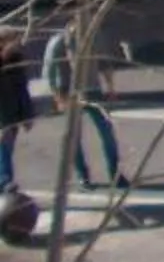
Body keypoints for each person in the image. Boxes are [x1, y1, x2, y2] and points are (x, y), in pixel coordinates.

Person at [39, 16, 123, 193]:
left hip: (92, 89)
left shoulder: (94, 35)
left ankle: (115, 173)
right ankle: (82, 175)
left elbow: (104, 62)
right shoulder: (58, 42)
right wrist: (58, 97)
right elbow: (51, 72)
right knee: (74, 137)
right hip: (69, 92)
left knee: (107, 131)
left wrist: (110, 87)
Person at [0, 32, 33, 197]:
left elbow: (23, 89)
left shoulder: (16, 61)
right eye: (10, 41)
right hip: (3, 116)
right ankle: (6, 183)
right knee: (4, 149)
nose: (15, 45)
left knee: (6, 150)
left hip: (13, 113)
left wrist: (27, 116)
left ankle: (4, 184)